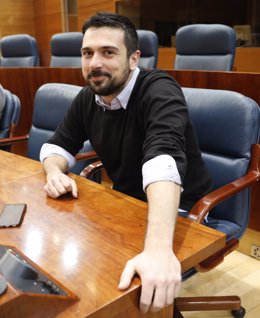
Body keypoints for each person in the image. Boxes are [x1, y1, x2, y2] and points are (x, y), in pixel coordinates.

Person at [40, 12, 212, 313]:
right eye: (87, 53)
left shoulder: (159, 89)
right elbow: (57, 145)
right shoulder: (88, 97)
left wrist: (159, 251)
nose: (95, 63)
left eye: (108, 52)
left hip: (182, 207)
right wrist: (54, 171)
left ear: (134, 59)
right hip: (128, 204)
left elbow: (163, 159)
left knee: (122, 285)